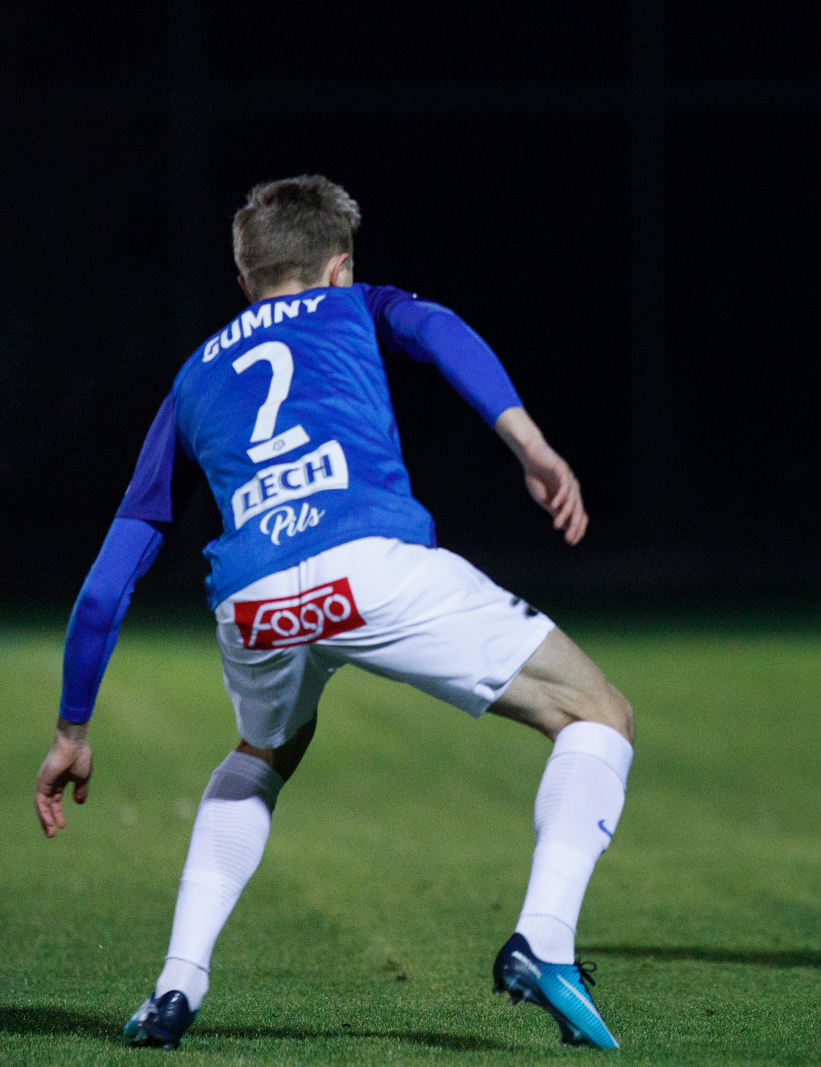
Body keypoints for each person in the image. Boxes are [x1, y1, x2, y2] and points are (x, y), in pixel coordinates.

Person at [34, 175, 632, 1049]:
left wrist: (72, 728)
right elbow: (440, 330)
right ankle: (544, 940)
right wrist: (531, 445)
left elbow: (105, 581)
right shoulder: (356, 306)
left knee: (269, 747)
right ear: (340, 266)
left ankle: (175, 983)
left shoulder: (193, 378)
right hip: (371, 565)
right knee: (598, 712)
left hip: (256, 603)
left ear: (245, 279)